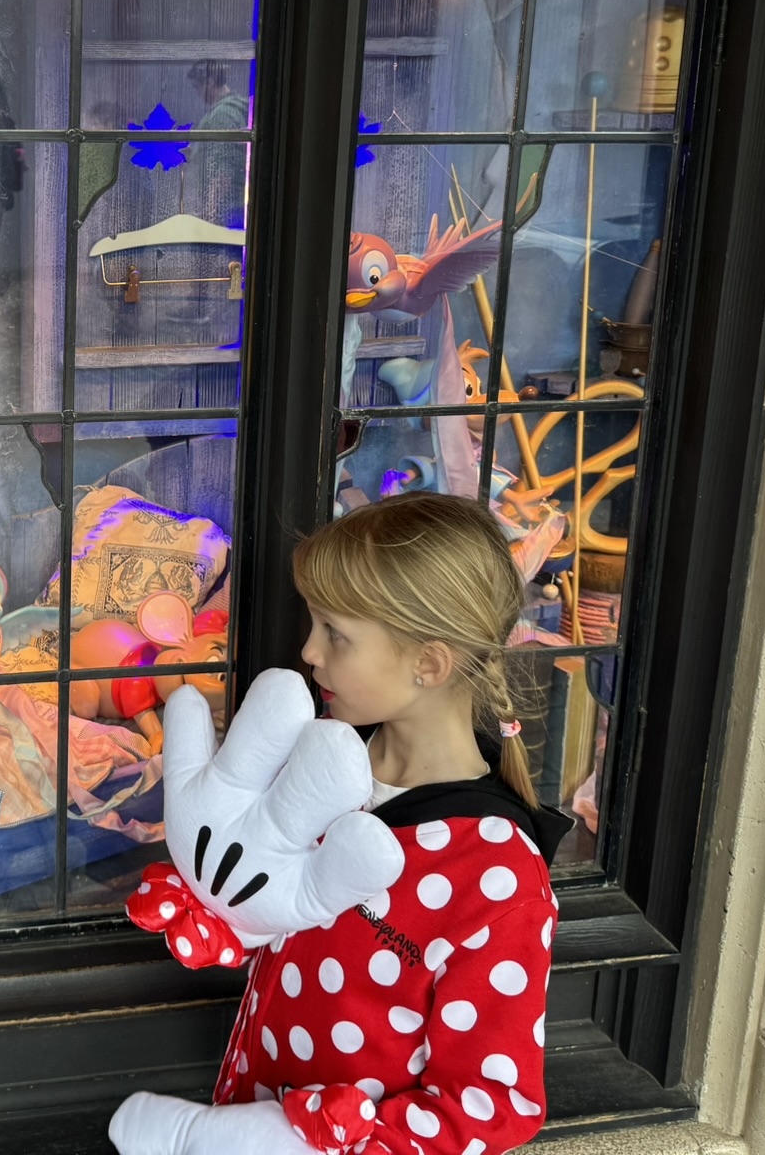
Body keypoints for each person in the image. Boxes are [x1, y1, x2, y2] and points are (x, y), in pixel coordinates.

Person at [111, 492, 570, 1155]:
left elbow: (491, 1105)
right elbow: (277, 913)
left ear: (428, 662)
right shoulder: (324, 758)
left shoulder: (497, 875)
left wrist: (304, 1142)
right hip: (245, 1095)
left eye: (336, 634)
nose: (308, 651)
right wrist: (225, 914)